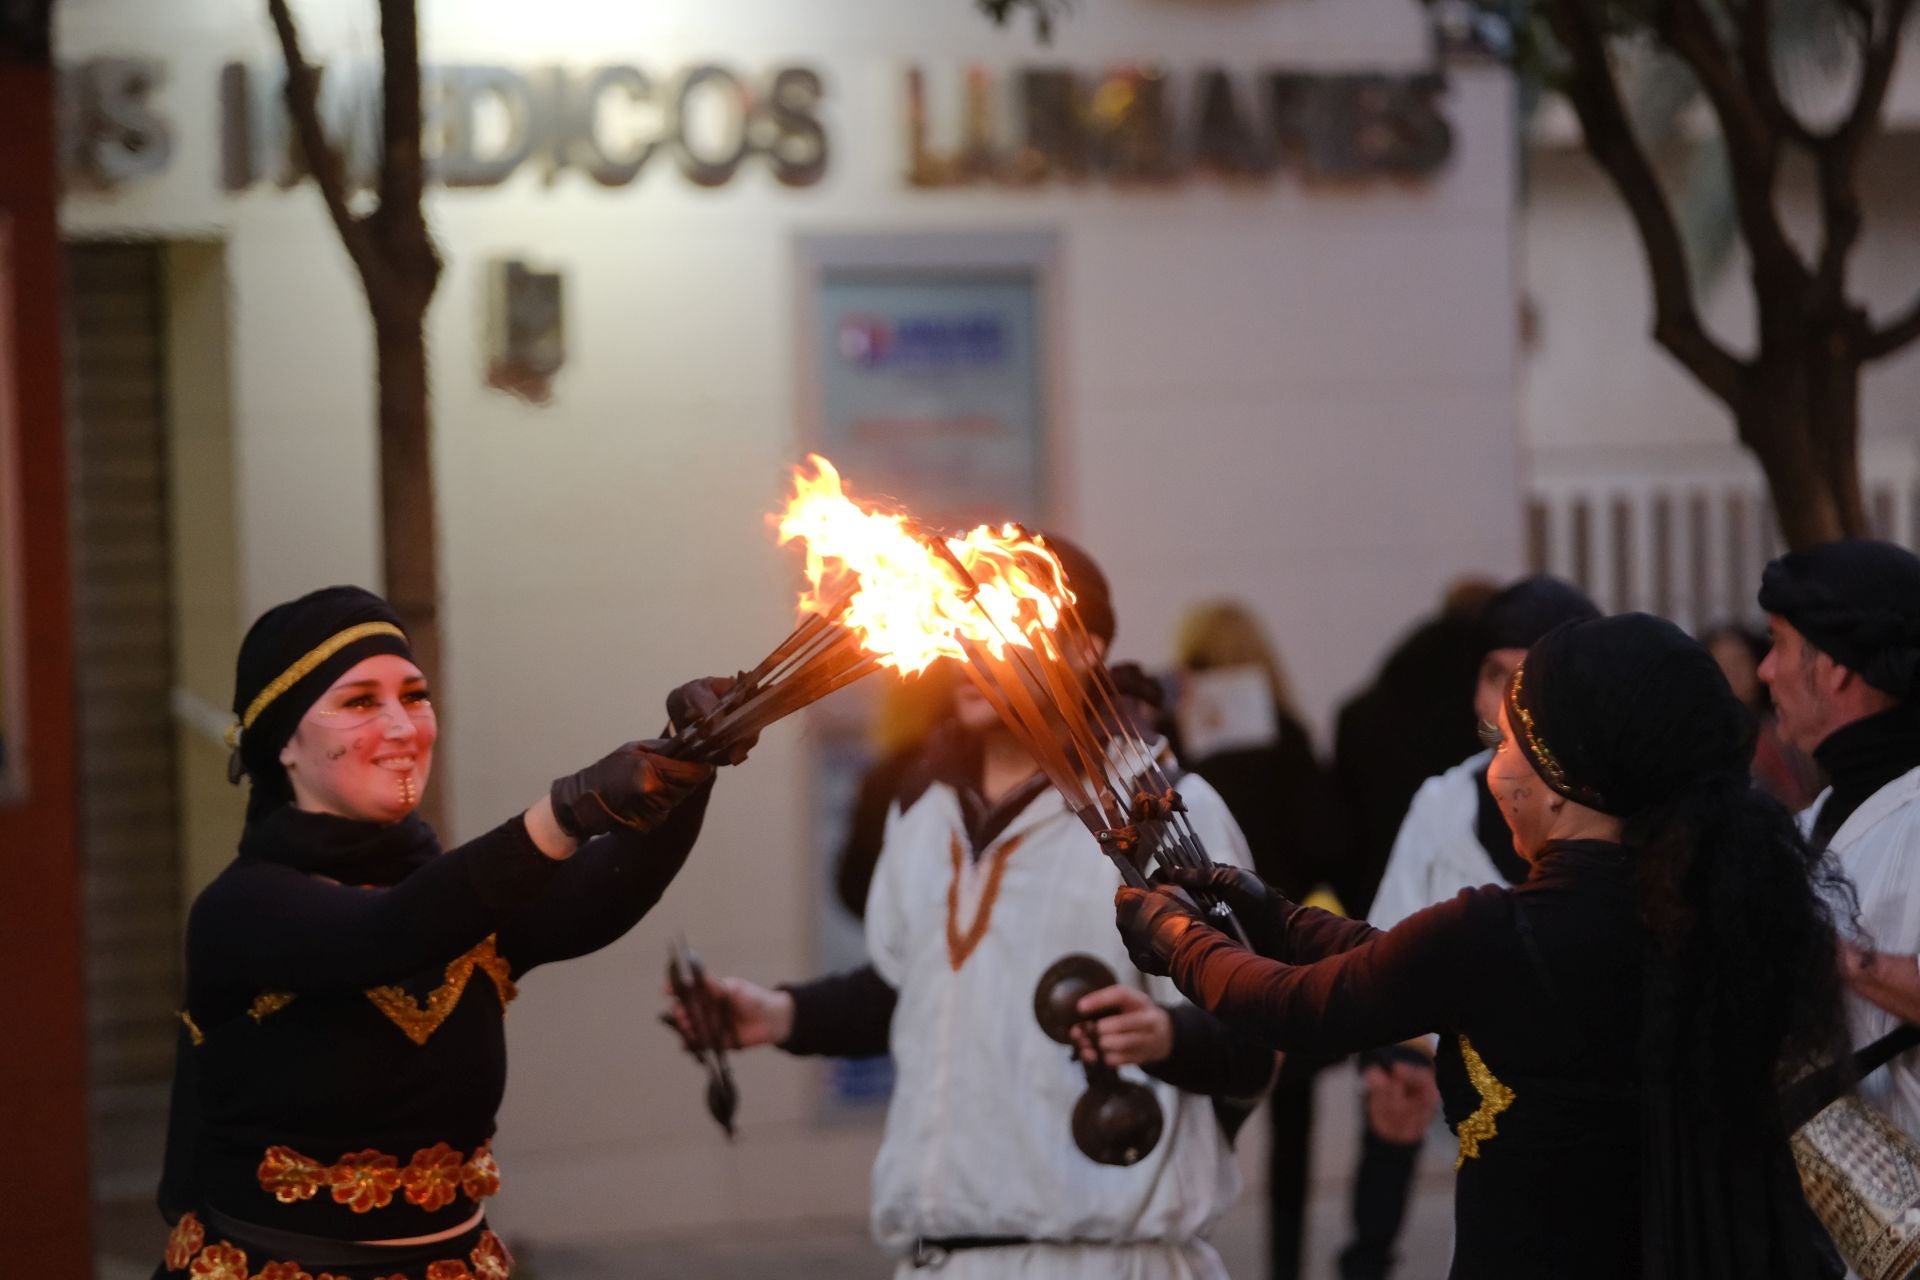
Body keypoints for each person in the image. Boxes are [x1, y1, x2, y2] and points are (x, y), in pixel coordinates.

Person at [1118, 612, 1851, 1279]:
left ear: (1561, 783)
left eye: (1507, 745)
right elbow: (1395, 958)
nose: (1492, 769)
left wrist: (1177, 939)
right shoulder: (1692, 908)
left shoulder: (1505, 932)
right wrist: (1269, 913)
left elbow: (1301, 1007)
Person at [671, 540, 1276, 1279]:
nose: (969, 645)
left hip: (1111, 1261)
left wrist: (1167, 1035)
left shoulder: (1162, 812)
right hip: (942, 1261)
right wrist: (780, 1014)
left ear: (1084, 650)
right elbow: (913, 990)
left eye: (1003, 619)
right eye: (961, 622)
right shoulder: (921, 807)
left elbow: (1258, 1035)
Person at [154, 586, 728, 1280]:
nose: (403, 726)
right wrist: (565, 811)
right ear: (284, 745)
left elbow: (600, 897)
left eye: (414, 696)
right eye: (360, 702)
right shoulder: (241, 909)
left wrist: (693, 760)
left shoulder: (457, 895)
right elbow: (380, 937)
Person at [1342, 574, 1597, 1280]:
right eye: (1495, 676)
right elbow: (1384, 952)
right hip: (1484, 1159)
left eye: (1532, 677)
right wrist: (1391, 1062)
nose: (1510, 700)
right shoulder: (1443, 805)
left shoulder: (1630, 815)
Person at [1165, 599, 1341, 1280]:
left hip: (1205, 954)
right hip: (1285, 955)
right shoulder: (1288, 735)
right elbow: (1327, 838)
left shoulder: (1179, 745)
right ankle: (1286, 1266)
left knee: (1208, 1113)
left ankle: (1187, 1241)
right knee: (1293, 1133)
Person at [1757, 538, 1920, 1137]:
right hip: (1830, 1218)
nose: (1763, 670)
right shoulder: (1806, 822)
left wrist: (1839, 958)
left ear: (1836, 665)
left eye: (1778, 643)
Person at [1330, 578, 1498, 918]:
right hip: (1474, 893)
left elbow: (1339, 826)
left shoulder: (1373, 704)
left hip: (1376, 885)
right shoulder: (1486, 708)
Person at [1701, 621, 1821, 811]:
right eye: (1723, 664)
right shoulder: (1711, 744)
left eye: (1740, 661)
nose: (1734, 672)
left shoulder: (1787, 725)